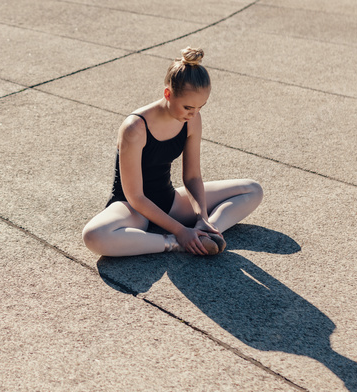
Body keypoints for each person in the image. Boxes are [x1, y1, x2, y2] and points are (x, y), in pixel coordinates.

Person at [82, 47, 263, 257]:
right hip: (132, 208)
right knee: (94, 235)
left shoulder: (192, 120)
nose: (193, 114)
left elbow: (192, 176)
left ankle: (206, 234)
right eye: (188, 107)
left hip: (169, 201)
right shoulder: (134, 128)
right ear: (167, 93)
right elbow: (136, 197)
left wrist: (202, 217)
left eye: (200, 108)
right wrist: (179, 232)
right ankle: (175, 243)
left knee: (252, 190)